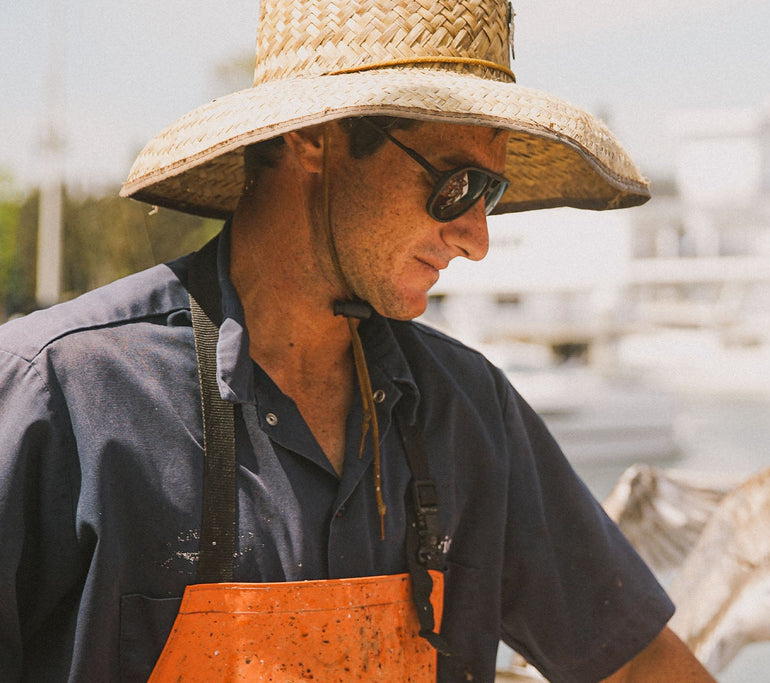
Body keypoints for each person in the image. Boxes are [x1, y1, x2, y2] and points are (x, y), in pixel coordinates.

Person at [0, 1, 717, 681]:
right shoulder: (61, 397)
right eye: (458, 184)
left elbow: (635, 664)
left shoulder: (470, 413)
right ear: (316, 137)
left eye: (490, 195)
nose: (477, 239)